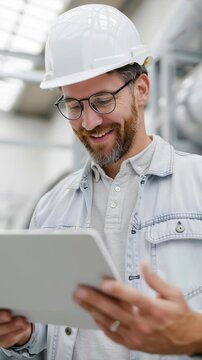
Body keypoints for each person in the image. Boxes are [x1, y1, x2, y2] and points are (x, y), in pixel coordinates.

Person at [1, 3, 202, 360]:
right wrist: (23, 336)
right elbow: (48, 332)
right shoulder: (51, 207)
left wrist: (194, 335)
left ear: (141, 89)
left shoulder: (198, 182)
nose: (89, 122)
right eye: (74, 106)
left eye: (102, 100)